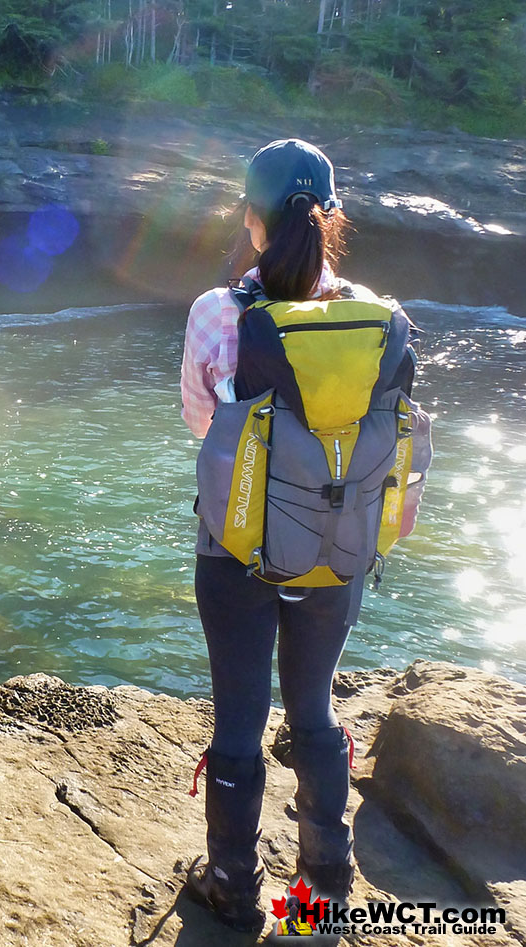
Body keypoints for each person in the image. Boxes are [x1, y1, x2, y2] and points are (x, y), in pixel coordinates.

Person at [178, 139, 419, 933]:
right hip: (337, 549)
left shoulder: (219, 312)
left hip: (237, 546)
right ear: (331, 218)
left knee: (239, 722)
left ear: (250, 219)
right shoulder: (380, 317)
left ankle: (231, 884)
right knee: (312, 711)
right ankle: (322, 889)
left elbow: (199, 422)